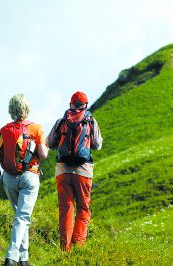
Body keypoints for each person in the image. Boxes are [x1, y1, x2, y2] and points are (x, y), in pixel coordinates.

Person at [0, 94, 48, 266]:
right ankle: (11, 257)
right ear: (27, 109)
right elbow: (44, 155)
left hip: (8, 178)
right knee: (23, 218)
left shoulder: (3, 130)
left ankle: (24, 259)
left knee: (20, 217)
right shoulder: (36, 129)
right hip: (29, 177)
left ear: (11, 110)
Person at [46, 91, 103, 252]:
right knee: (83, 208)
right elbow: (97, 145)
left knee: (66, 209)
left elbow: (49, 143)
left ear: (71, 104)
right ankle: (79, 246)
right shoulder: (90, 121)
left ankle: (66, 249)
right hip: (83, 171)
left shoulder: (61, 121)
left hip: (63, 170)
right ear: (86, 105)